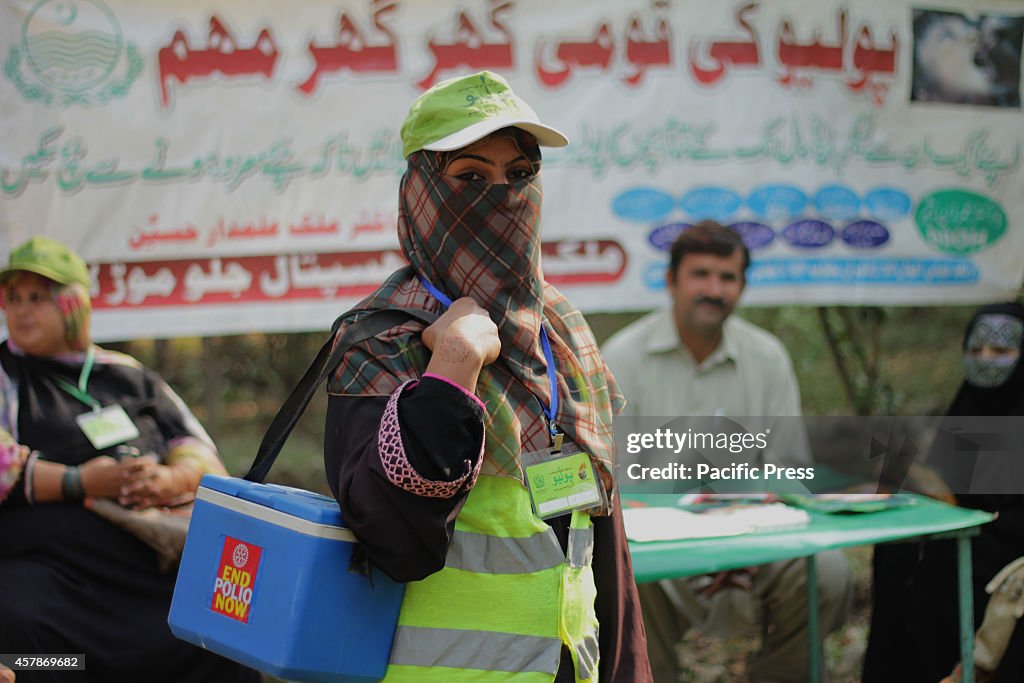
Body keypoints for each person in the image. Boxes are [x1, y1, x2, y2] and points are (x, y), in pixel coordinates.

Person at [322, 71, 651, 682]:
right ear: (421, 190)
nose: (501, 195)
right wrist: (450, 375)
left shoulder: (562, 332)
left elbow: (603, 547)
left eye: (520, 175)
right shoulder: (381, 340)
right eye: (471, 177)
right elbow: (393, 541)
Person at [0, 237, 260, 683]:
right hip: (54, 581)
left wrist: (168, 477)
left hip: (150, 566)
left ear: (76, 303)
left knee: (219, 626)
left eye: (39, 298)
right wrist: (78, 481)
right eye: (13, 298)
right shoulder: (6, 373)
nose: (22, 311)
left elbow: (198, 448)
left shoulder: (127, 374)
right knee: (25, 632)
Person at [602, 221, 852, 683]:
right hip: (653, 540)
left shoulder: (767, 358)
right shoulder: (623, 357)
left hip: (751, 532)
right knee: (619, 572)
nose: (713, 289)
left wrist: (741, 534)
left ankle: (776, 677)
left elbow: (786, 469)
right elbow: (610, 481)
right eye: (700, 274)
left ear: (742, 286)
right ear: (672, 280)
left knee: (831, 573)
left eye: (727, 277)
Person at [863, 301, 1024, 683]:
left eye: (1001, 351)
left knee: (943, 560)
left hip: (1010, 552)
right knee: (899, 548)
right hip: (958, 534)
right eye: (975, 350)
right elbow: (940, 486)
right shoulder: (963, 409)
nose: (985, 360)